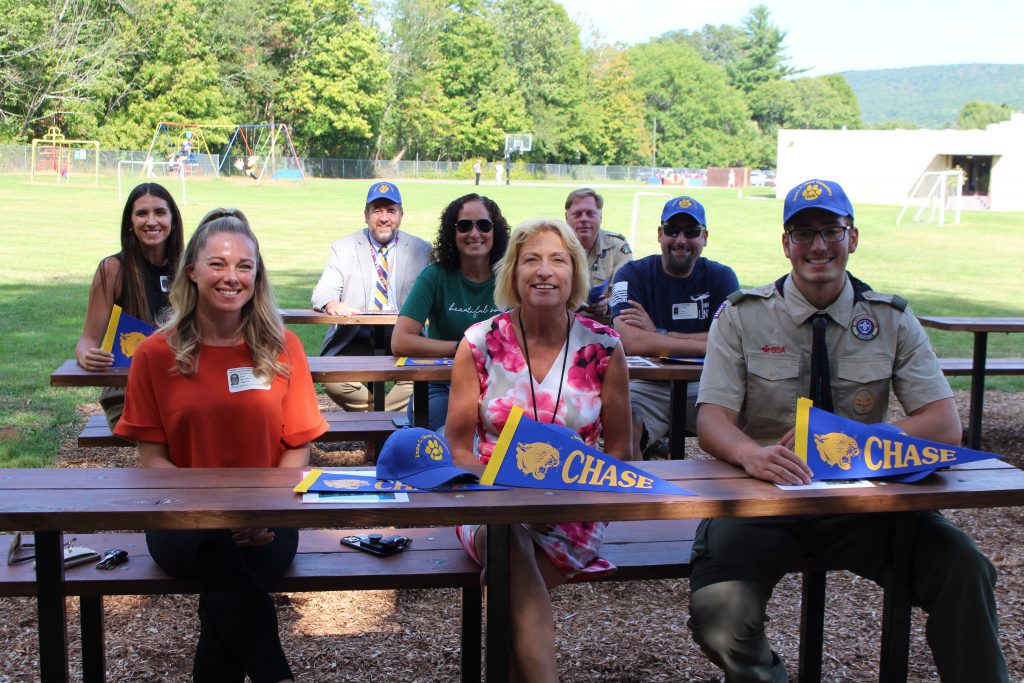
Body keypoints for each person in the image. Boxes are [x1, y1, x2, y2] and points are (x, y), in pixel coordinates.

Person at [688, 179, 1007, 682]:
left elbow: (945, 424)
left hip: (866, 503)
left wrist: (861, 443)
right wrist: (752, 455)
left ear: (852, 237)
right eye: (803, 232)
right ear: (786, 243)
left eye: (831, 230)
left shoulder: (889, 319)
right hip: (764, 499)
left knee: (965, 569)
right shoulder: (744, 316)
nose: (818, 246)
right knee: (719, 611)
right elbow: (711, 420)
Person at [115, 208, 328, 683]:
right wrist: (213, 514)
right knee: (221, 558)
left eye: (244, 266)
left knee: (227, 589)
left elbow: (297, 448)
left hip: (269, 518)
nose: (231, 277)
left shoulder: (282, 347)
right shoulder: (154, 353)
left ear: (257, 274)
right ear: (191, 270)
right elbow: (152, 460)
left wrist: (261, 512)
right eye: (218, 264)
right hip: (181, 519)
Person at [446, 218, 631, 681]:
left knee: (504, 586)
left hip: (575, 508)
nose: (544, 271)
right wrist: (497, 497)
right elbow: (456, 446)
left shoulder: (604, 347)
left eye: (558, 260)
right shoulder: (479, 344)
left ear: (575, 274)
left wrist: (576, 497)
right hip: (491, 506)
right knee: (507, 539)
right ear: (512, 273)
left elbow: (622, 451)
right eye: (531, 260)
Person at [610, 196, 738, 459]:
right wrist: (708, 342)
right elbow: (630, 341)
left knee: (745, 426)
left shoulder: (722, 277)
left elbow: (732, 338)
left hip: (704, 383)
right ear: (660, 235)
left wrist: (657, 334)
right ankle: (637, 497)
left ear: (704, 237)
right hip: (645, 385)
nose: (681, 239)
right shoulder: (631, 274)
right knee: (625, 430)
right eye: (672, 230)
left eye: (691, 231)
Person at [390, 193, 509, 433]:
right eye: (464, 226)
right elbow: (400, 340)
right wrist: (463, 348)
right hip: (442, 387)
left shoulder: (511, 278)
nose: (474, 234)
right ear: (452, 233)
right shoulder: (434, 276)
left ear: (495, 231)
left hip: (502, 386)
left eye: (483, 225)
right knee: (450, 436)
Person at [311, 181, 432, 411]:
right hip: (356, 336)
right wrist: (331, 302)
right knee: (332, 378)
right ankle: (383, 421)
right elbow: (323, 291)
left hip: (405, 337)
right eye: (377, 210)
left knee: (423, 379)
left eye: (391, 211)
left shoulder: (422, 249)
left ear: (401, 215)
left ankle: (378, 424)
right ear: (366, 215)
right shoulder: (343, 247)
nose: (384, 217)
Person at [75, 182, 185, 430]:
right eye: (141, 213)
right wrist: (86, 355)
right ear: (130, 222)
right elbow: (87, 340)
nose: (151, 221)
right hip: (128, 394)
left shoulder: (191, 269)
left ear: (173, 220)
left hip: (181, 386)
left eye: (159, 212)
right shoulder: (113, 269)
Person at [564, 188, 633, 318]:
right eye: (577, 214)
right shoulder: (554, 246)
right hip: (564, 323)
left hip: (604, 325)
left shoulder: (617, 246)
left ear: (600, 217)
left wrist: (608, 304)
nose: (584, 219)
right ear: (567, 217)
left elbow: (625, 292)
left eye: (590, 214)